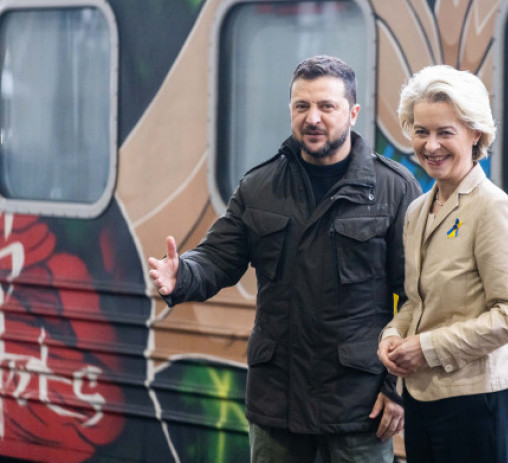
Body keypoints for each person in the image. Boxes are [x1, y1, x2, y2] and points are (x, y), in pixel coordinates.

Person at [148, 55, 421, 463]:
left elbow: (419, 297)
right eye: (302, 106)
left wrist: (394, 387)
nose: (313, 118)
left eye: (327, 106)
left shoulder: (393, 190)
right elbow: (218, 257)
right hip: (278, 404)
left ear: (353, 113)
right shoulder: (260, 187)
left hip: (358, 407)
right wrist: (182, 273)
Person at [377, 65, 508, 463]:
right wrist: (392, 336)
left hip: (478, 402)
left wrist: (426, 348)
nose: (431, 146)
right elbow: (416, 300)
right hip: (424, 398)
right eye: (421, 131)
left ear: (475, 134)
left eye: (445, 132)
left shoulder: (494, 209)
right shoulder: (418, 209)